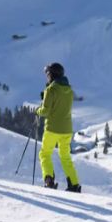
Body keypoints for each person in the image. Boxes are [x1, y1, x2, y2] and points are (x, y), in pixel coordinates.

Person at [36, 63, 81, 192]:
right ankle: (74, 184)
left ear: (52, 75)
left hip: (52, 129)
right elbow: (60, 104)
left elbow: (45, 111)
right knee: (65, 156)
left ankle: (49, 180)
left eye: (48, 74)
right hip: (67, 130)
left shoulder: (51, 90)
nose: (47, 77)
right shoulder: (69, 91)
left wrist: (37, 110)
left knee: (45, 154)